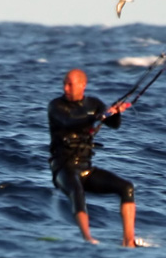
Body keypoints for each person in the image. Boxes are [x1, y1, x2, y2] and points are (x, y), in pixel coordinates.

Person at [48, 69, 137, 246]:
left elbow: (113, 124)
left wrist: (115, 112)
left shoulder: (94, 104)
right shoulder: (56, 106)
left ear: (82, 85)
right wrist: (97, 116)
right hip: (63, 169)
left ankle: (129, 241)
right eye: (64, 84)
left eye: (70, 84)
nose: (65, 88)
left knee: (127, 188)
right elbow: (69, 121)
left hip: (86, 168)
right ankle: (88, 239)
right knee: (77, 191)